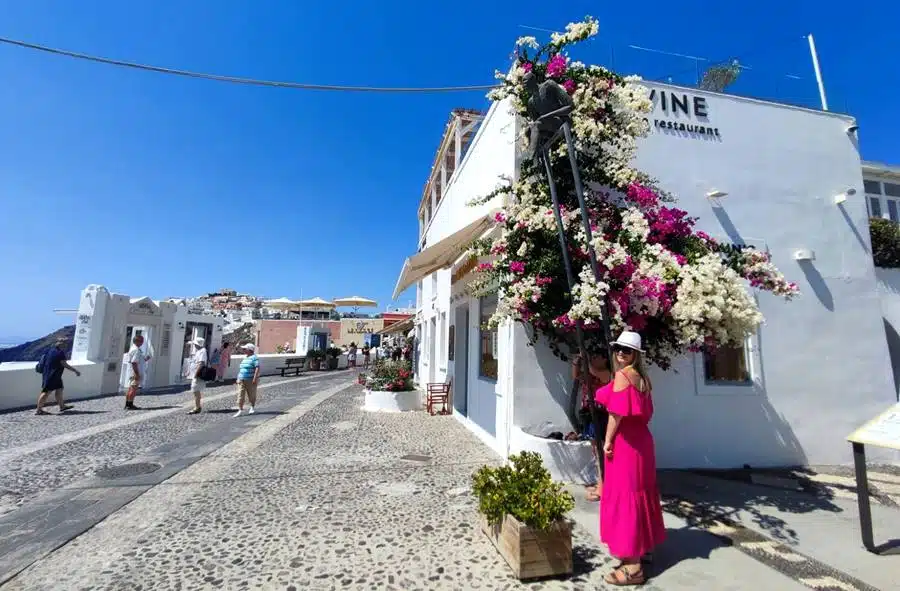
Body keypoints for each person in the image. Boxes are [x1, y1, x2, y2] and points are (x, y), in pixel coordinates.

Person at [595, 331, 665, 586]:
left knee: (625, 496)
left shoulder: (624, 376)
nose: (620, 353)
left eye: (626, 350)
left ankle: (633, 567)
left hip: (625, 444)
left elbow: (616, 414)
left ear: (635, 355)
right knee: (638, 493)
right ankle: (640, 548)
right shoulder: (642, 378)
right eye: (618, 349)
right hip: (642, 444)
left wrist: (607, 440)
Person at [571, 351, 611, 501]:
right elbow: (576, 376)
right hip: (589, 414)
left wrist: (586, 360)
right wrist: (576, 361)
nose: (594, 358)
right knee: (595, 451)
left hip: (601, 415)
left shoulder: (607, 373)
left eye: (597, 356)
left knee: (600, 450)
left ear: (605, 359)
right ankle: (601, 483)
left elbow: (594, 371)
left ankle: (602, 488)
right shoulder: (590, 375)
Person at [35, 338, 80, 415]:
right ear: (61, 344)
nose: (67, 345)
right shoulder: (60, 353)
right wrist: (75, 370)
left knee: (59, 389)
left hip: (52, 374)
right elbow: (64, 364)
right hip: (52, 375)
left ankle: (62, 406)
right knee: (46, 392)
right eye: (65, 343)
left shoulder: (51, 350)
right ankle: (39, 410)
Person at [234, 343, 260, 417]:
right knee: (240, 394)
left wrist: (255, 378)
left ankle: (252, 407)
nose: (243, 350)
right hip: (241, 379)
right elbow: (241, 369)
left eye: (245, 349)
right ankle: (240, 409)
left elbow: (257, 368)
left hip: (250, 379)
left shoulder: (254, 357)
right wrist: (238, 378)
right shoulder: (245, 357)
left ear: (250, 350)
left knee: (251, 394)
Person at [187, 337, 208, 415]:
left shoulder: (203, 351)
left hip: (198, 375)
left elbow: (201, 363)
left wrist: (196, 374)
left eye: (195, 344)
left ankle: (197, 407)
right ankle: (197, 406)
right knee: (195, 390)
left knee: (195, 390)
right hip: (195, 374)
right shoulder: (199, 351)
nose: (194, 345)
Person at [124, 334, 145, 410]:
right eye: (141, 341)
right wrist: (137, 374)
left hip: (132, 371)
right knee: (133, 388)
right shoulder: (136, 350)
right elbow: (134, 362)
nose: (142, 342)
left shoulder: (133, 348)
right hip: (135, 372)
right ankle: (130, 405)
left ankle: (127, 404)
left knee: (131, 388)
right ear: (137, 341)